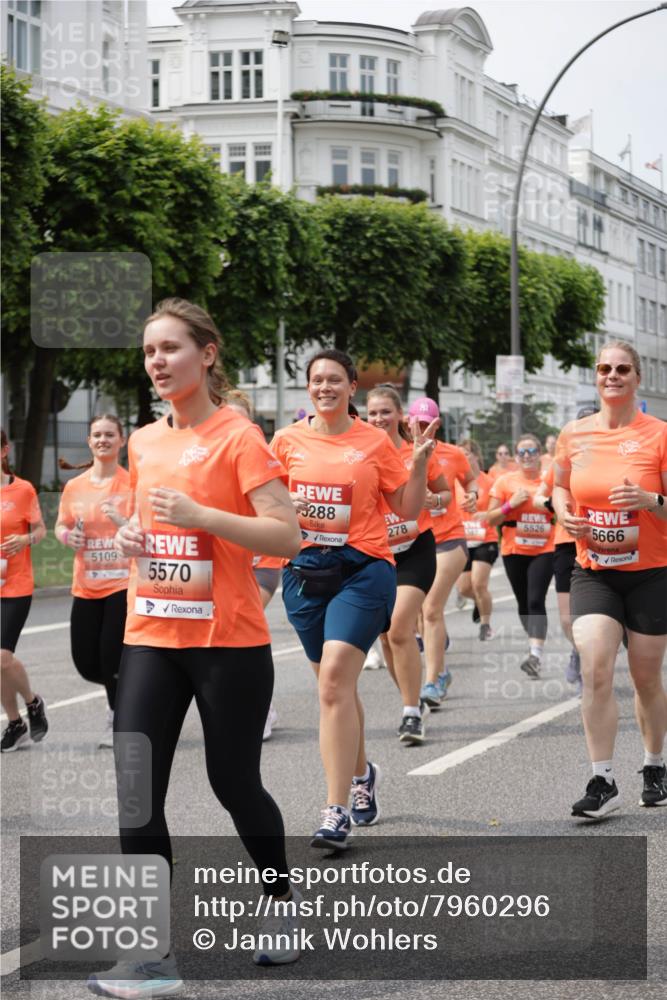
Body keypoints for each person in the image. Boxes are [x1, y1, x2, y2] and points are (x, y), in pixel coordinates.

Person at [87, 299, 303, 997]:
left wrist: (206, 516)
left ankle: (279, 903)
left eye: (170, 348)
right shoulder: (144, 442)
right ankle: (150, 956)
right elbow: (155, 528)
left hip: (226, 641)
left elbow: (286, 536)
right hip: (150, 631)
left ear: (206, 355)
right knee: (134, 787)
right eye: (149, 351)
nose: (156, 362)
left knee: (232, 783)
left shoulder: (239, 436)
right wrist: (132, 540)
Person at [271, 350, 435, 849]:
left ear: (352, 387)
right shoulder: (284, 441)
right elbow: (259, 503)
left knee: (336, 681)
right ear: (308, 389)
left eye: (334, 380)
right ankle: (363, 775)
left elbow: (405, 507)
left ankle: (335, 809)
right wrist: (285, 506)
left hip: (364, 570)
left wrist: (420, 462)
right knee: (334, 690)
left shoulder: (372, 441)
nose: (325, 387)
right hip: (303, 574)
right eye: (317, 380)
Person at [553, 341, 667, 820]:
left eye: (622, 369)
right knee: (596, 665)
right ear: (596, 376)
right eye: (604, 368)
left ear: (637, 378)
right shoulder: (574, 434)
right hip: (594, 569)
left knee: (644, 677)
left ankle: (655, 765)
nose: (612, 375)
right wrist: (564, 513)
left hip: (650, 574)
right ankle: (603, 778)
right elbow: (559, 486)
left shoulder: (659, 435)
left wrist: (650, 500)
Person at [366, 385, 450, 745]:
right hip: (378, 553)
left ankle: (411, 713)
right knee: (386, 636)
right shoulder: (361, 453)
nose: (379, 419)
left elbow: (446, 493)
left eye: (386, 412)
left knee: (400, 627)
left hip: (416, 549)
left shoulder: (415, 450)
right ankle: (412, 700)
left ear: (400, 415)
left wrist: (433, 498)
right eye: (372, 413)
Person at [55, 416, 131, 747]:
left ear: (121, 441)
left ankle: (120, 716)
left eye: (109, 434)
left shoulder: (132, 483)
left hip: (122, 583)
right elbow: (61, 525)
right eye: (97, 435)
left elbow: (143, 528)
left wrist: (123, 521)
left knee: (111, 655)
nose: (103, 440)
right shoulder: (75, 487)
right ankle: (128, 686)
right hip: (85, 584)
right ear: (89, 441)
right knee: (87, 662)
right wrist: (68, 537)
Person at [414, 399, 478, 708]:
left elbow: (470, 479)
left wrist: (474, 495)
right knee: (415, 614)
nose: (423, 428)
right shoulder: (398, 452)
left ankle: (433, 681)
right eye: (418, 422)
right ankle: (439, 662)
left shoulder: (452, 454)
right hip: (414, 541)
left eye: (429, 423)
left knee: (430, 608)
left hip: (449, 539)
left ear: (438, 424)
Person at [226, 389, 280, 741]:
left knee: (241, 627)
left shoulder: (262, 457)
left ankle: (263, 709)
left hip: (262, 561)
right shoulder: (210, 462)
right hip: (224, 567)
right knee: (229, 640)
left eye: (236, 420)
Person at [536, 407, 599, 694]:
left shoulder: (611, 456)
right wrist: (557, 507)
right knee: (566, 617)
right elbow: (541, 496)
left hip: (601, 539)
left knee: (598, 614)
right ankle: (578, 651)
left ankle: (593, 665)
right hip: (565, 541)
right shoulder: (565, 458)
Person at [487, 434, 555, 678]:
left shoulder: (549, 481)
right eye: (522, 453)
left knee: (536, 599)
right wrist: (510, 504)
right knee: (523, 602)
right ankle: (533, 642)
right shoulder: (505, 482)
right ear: (516, 457)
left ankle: (535, 654)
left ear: (539, 454)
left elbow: (562, 507)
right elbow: (490, 518)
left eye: (532, 452)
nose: (527, 457)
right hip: (513, 549)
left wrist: (547, 503)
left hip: (545, 548)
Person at [0, 430, 48, 752]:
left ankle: (33, 702)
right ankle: (16, 722)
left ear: (5, 449)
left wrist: (24, 540)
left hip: (15, 583)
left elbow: (41, 530)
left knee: (1, 657)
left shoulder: (23, 489)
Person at [455, 438, 499, 642]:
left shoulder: (488, 481)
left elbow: (496, 510)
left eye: (468, 453)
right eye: (460, 453)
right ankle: (481, 605)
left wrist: (487, 514)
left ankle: (486, 625)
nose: (464, 457)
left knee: (478, 584)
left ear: (476, 456)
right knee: (464, 588)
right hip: (462, 540)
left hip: (485, 538)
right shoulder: (454, 482)